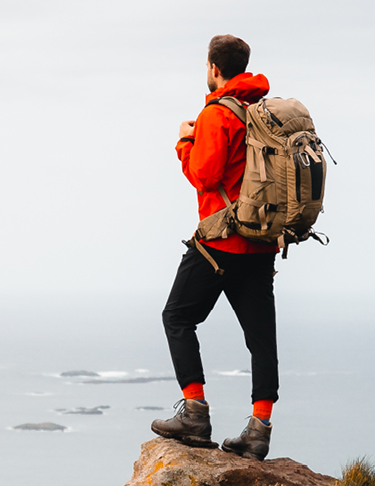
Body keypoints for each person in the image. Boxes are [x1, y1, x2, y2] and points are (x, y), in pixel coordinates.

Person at [148, 34, 280, 460]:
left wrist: (184, 142)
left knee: (177, 317)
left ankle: (194, 413)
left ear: (213, 68)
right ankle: (259, 430)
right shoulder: (263, 111)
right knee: (261, 339)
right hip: (262, 243)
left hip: (220, 242)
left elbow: (204, 177)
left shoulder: (217, 114)